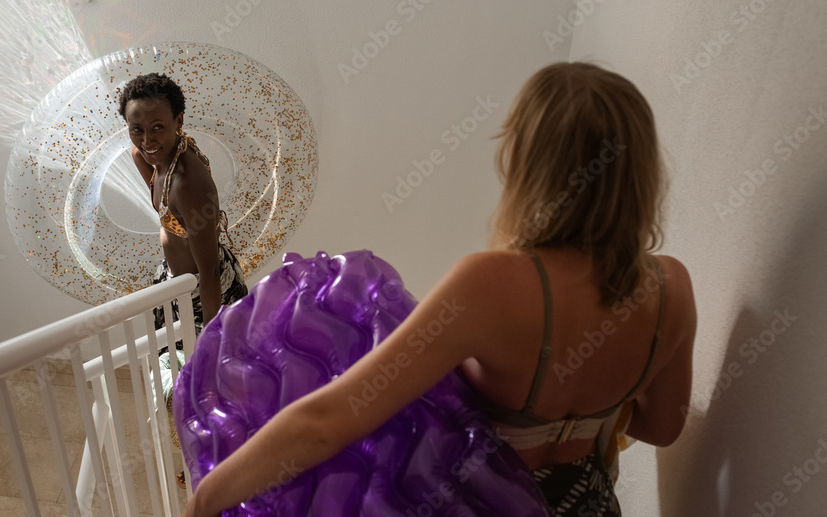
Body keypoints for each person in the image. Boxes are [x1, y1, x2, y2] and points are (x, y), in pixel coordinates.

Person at [184, 62, 697, 517]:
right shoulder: (671, 286)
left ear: (527, 162)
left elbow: (326, 421)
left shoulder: (491, 282)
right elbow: (662, 428)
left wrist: (207, 497)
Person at [118, 72, 248, 335]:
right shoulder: (151, 155)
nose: (146, 141)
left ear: (178, 121)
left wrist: (209, 344)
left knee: (201, 364)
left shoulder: (187, 186)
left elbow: (209, 273)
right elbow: (161, 200)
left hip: (205, 294)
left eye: (157, 127)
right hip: (176, 279)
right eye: (136, 129)